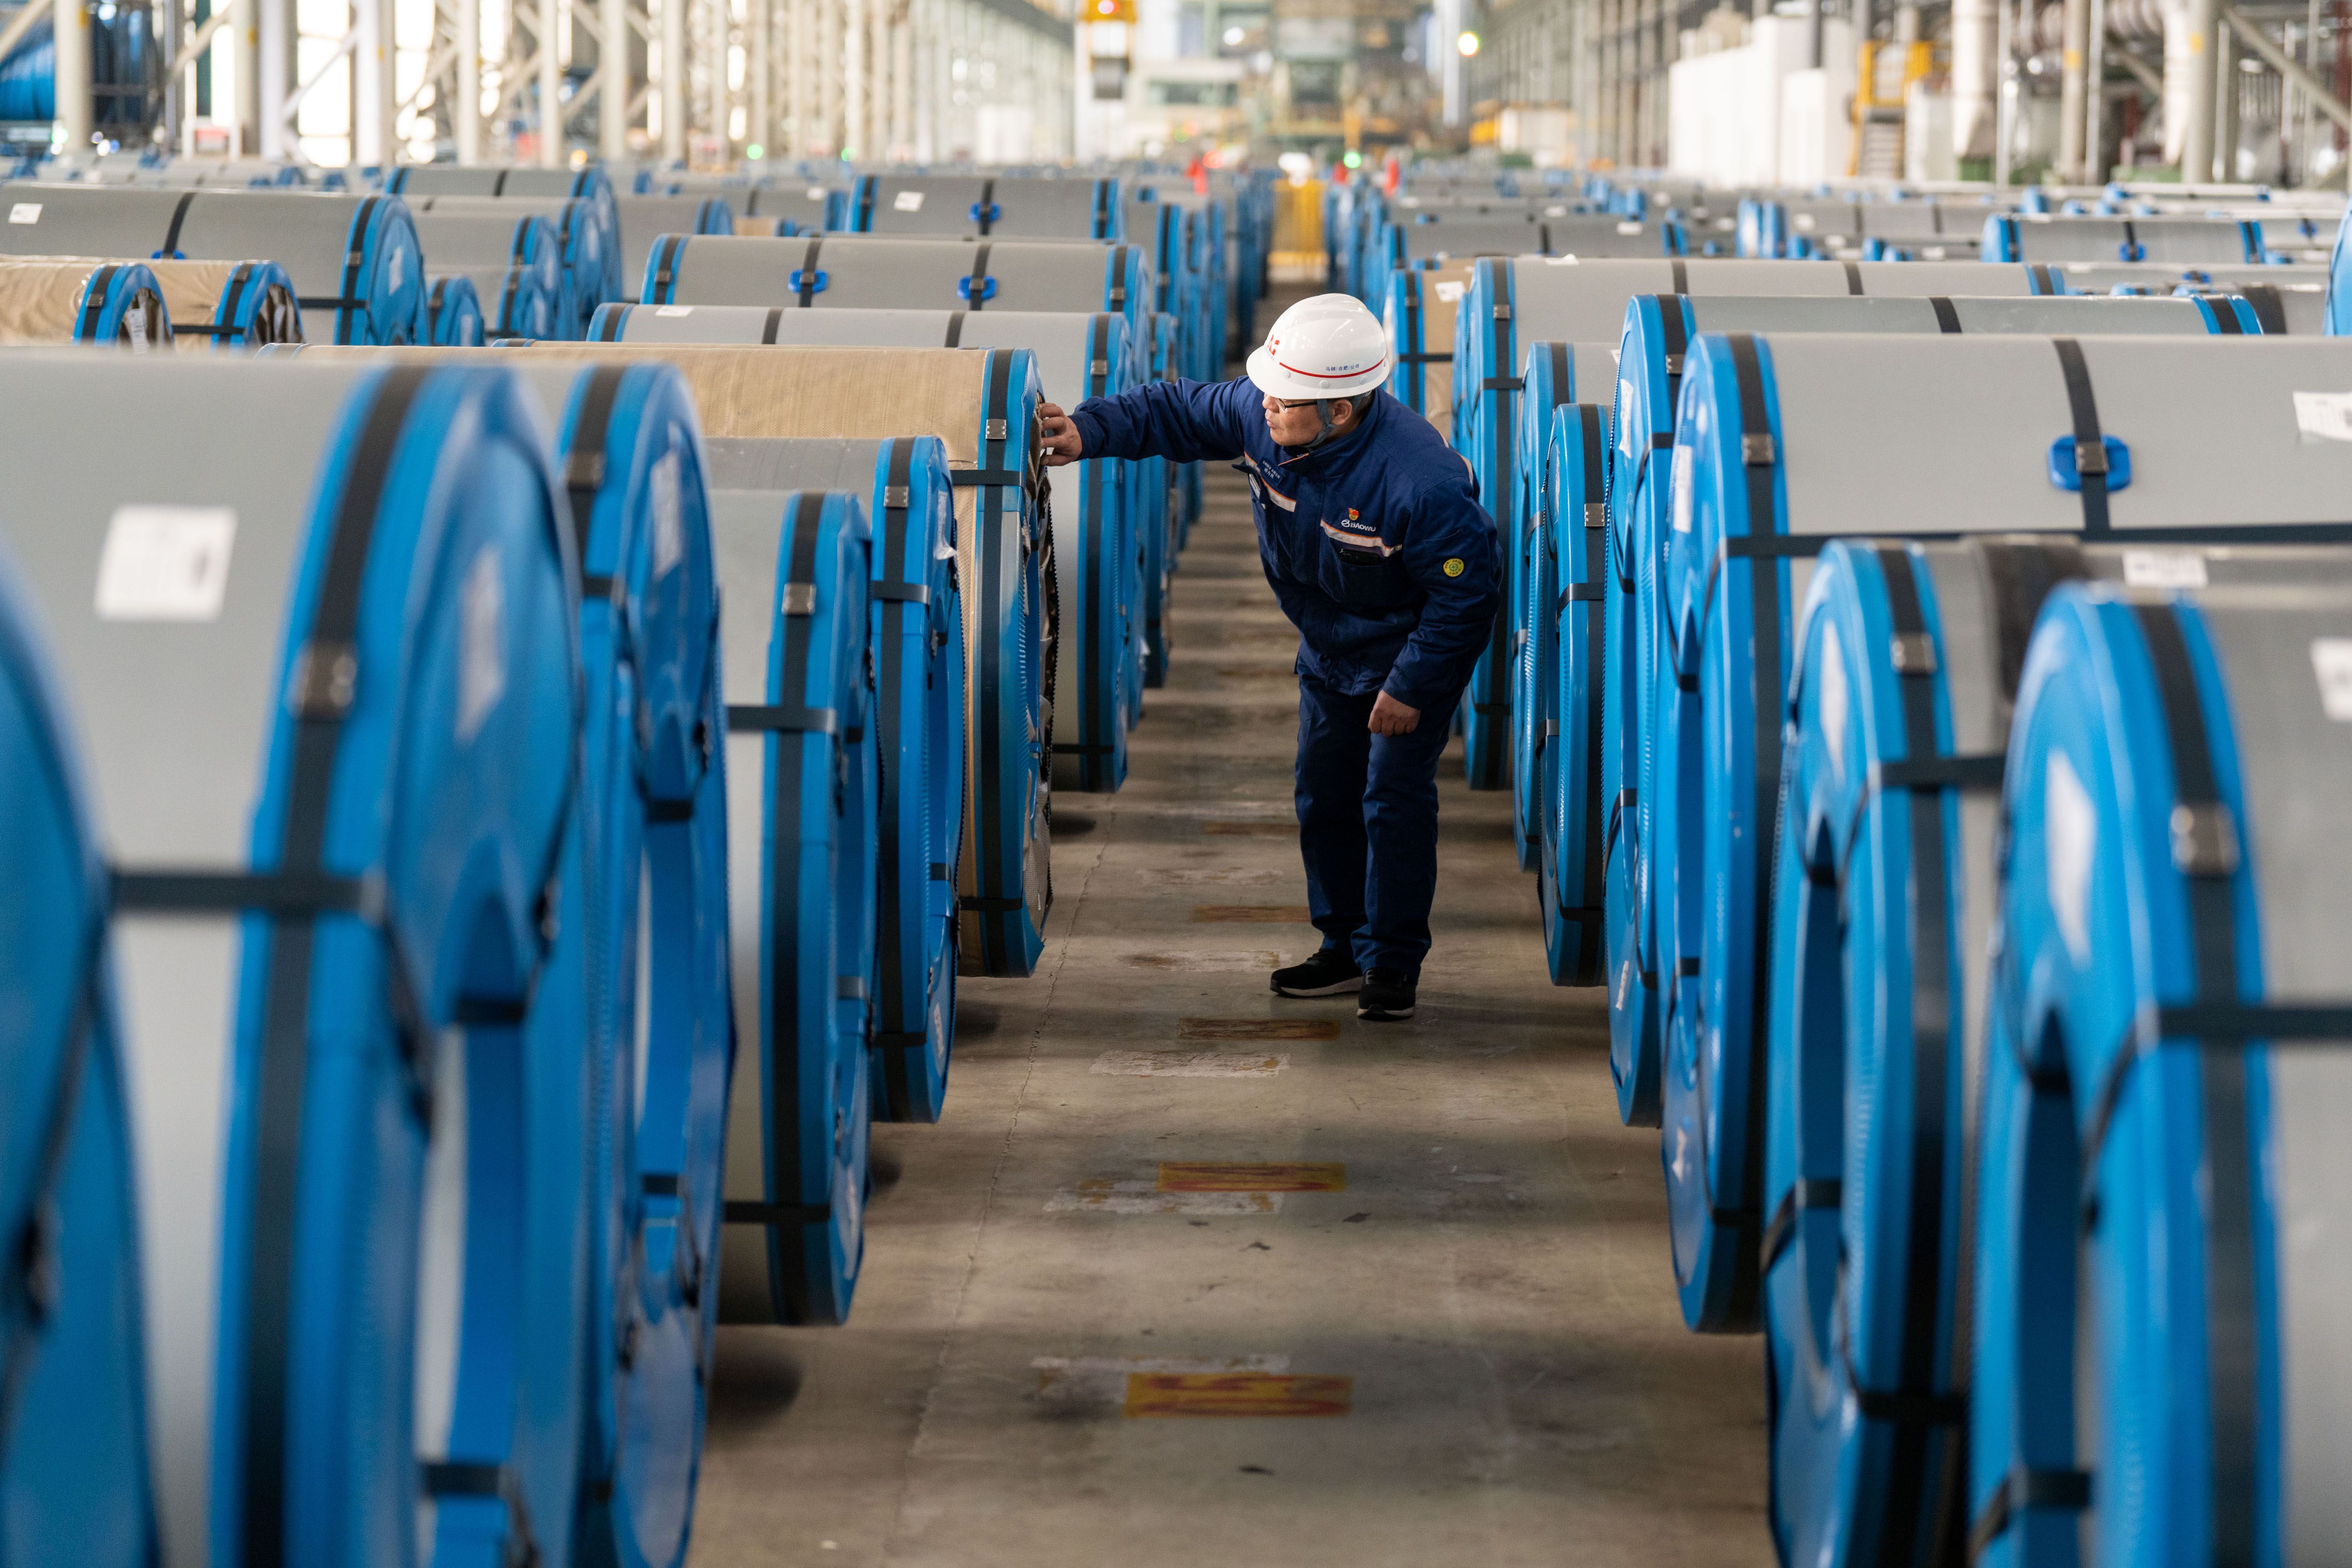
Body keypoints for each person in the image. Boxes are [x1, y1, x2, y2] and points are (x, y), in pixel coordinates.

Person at [1038, 293, 1501, 1022]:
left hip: (1406, 658)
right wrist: (1086, 432)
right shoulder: (1267, 410)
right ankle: (1343, 945)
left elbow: (1468, 598)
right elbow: (1174, 409)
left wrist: (1412, 686)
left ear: (1340, 410)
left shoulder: (1419, 480)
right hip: (1327, 647)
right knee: (1323, 794)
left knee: (1391, 800)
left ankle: (1391, 963)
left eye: (1284, 402)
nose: (1266, 408)